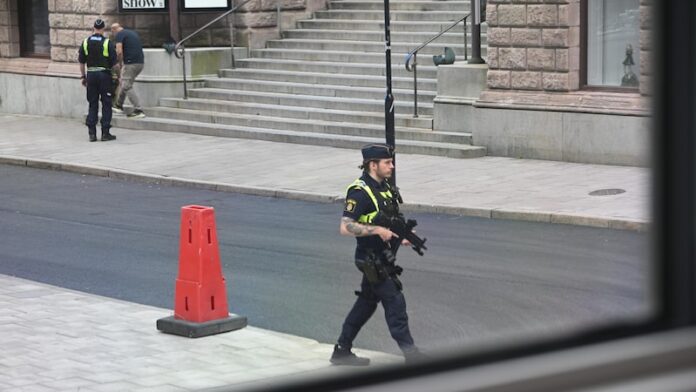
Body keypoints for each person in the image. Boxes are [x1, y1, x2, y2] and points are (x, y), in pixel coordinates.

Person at [331, 143, 424, 366]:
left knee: (366, 304)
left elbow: (392, 219)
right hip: (370, 258)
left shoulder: (386, 188)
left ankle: (342, 350)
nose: (391, 166)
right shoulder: (360, 192)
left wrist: (402, 234)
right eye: (387, 163)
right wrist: (378, 230)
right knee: (395, 302)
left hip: (383, 257)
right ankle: (412, 355)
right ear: (373, 165)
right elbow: (346, 227)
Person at [78, 18, 117, 142]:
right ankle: (105, 133)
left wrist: (83, 76)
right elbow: (114, 64)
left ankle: (92, 134)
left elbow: (81, 62)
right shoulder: (107, 43)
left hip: (91, 75)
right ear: (104, 29)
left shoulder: (85, 42)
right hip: (104, 75)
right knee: (106, 103)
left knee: (92, 103)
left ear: (93, 28)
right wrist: (118, 76)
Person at [110, 23, 145, 118]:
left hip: (130, 63)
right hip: (140, 63)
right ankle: (118, 105)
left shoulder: (119, 35)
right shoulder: (131, 33)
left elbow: (119, 51)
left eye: (112, 33)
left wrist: (120, 63)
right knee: (124, 83)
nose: (113, 35)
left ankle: (138, 110)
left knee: (126, 85)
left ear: (114, 30)